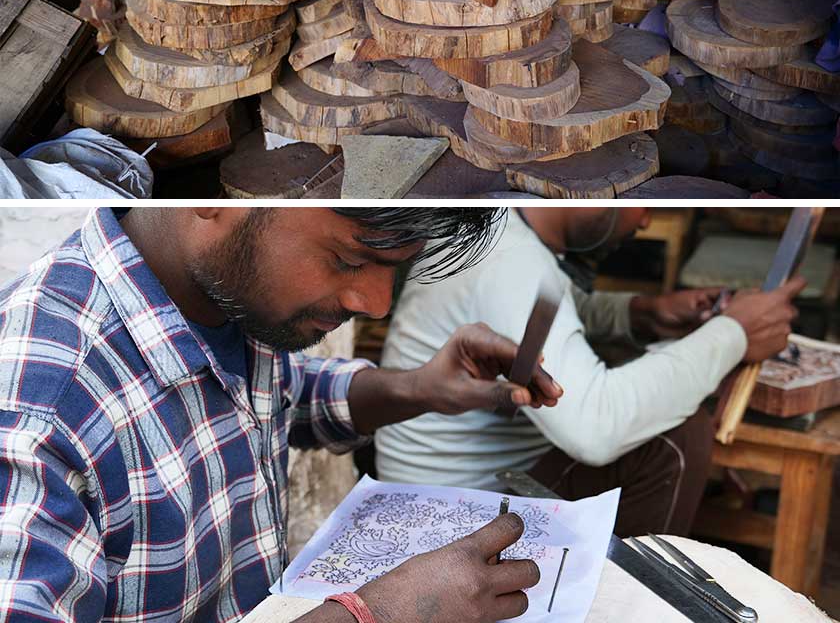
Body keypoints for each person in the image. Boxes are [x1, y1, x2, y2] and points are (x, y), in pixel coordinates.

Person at [0, 206, 562, 623]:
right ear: (221, 203)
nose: (376, 303)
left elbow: (278, 400)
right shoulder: (39, 401)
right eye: (348, 259)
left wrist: (419, 389)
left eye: (398, 270)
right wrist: (381, 613)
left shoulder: (232, 302)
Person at [376, 208, 805, 537]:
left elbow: (553, 310)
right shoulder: (512, 261)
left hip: (438, 493)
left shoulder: (494, 229)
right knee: (674, 437)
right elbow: (596, 431)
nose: (646, 220)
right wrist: (734, 334)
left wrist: (642, 314)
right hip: (456, 517)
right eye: (640, 207)